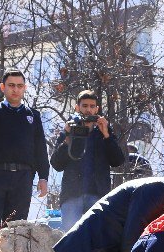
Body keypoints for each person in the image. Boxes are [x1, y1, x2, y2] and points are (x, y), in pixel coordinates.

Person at [0, 69, 49, 225]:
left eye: (19, 85)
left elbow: (40, 149)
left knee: (18, 228)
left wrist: (43, 177)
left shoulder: (33, 115)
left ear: (25, 88)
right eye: (11, 85)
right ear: (2, 87)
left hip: (23, 178)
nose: (15, 89)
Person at [50, 90, 126, 231]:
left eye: (92, 106)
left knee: (96, 239)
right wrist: (67, 139)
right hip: (72, 195)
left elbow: (117, 161)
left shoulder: (103, 133)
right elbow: (56, 164)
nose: (88, 110)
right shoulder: (69, 131)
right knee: (70, 239)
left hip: (97, 194)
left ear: (97, 109)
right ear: (77, 108)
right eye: (85, 106)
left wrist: (107, 135)